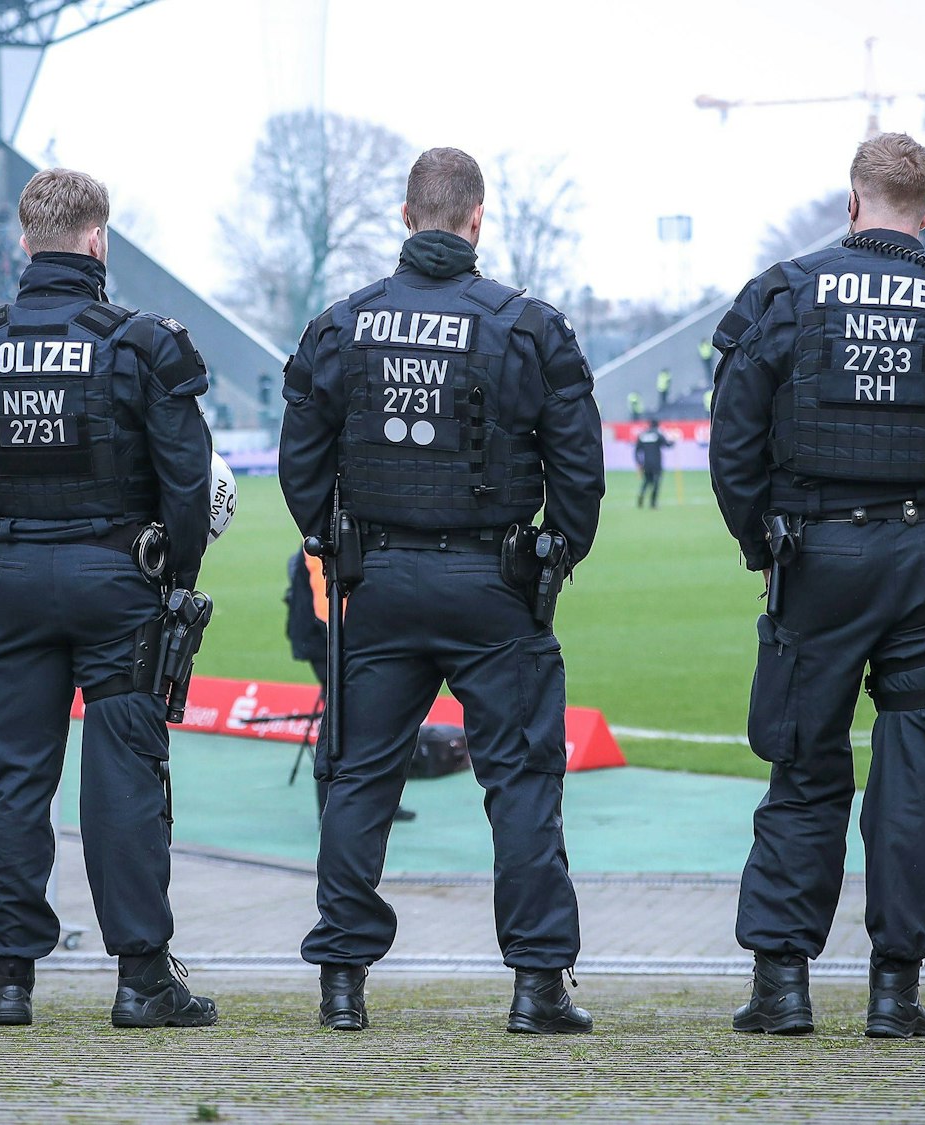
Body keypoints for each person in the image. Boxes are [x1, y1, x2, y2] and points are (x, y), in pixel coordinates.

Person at [708, 133, 925, 1039]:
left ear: (852, 202)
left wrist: (764, 544)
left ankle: (781, 985)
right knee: (912, 768)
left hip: (814, 560)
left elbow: (733, 445)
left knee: (805, 763)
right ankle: (895, 990)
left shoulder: (785, 292)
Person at [280, 147, 605, 1034]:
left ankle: (342, 982)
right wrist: (552, 560)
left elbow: (300, 468)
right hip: (493, 583)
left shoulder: (341, 326)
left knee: (357, 777)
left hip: (376, 580)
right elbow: (580, 474)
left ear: (404, 213)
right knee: (525, 780)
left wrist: (336, 547)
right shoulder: (528, 326)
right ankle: (538, 986)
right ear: (475, 219)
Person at [0, 168, 218, 1029]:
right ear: (98, 240)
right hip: (118, 578)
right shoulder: (141, 343)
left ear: (25, 241)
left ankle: (8, 980)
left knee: (17, 780)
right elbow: (187, 484)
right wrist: (171, 575)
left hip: (12, 575)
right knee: (124, 775)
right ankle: (141, 979)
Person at [283, 548, 415, 824]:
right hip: (327, 639)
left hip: (331, 635)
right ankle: (331, 808)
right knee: (341, 720)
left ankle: (380, 800)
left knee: (362, 717)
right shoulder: (323, 545)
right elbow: (326, 607)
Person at [634, 418, 674, 509]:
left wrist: (639, 462)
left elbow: (637, 450)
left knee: (646, 481)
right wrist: (673, 442)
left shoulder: (642, 435)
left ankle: (641, 495)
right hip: (656, 464)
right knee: (656, 483)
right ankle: (653, 503)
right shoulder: (658, 434)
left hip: (646, 464)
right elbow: (667, 444)